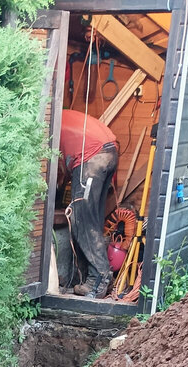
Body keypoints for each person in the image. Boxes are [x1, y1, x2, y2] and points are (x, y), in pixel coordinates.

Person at [57, 109, 119, 298]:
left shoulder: (46, 127)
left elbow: (54, 174)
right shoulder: (62, 117)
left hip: (92, 154)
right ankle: (90, 278)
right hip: (110, 149)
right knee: (92, 220)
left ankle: (97, 281)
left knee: (80, 219)